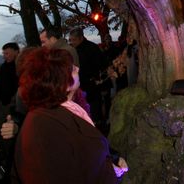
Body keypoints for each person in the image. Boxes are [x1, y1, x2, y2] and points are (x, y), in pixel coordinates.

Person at [12, 47, 123, 183]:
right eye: (71, 69)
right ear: (58, 82)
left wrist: (113, 161)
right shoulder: (44, 125)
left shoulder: (65, 108)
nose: (77, 68)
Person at [68, 27, 105, 123]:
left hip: (91, 84)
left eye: (74, 40)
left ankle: (97, 124)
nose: (72, 42)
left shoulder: (92, 48)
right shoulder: (73, 50)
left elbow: (101, 64)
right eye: (70, 40)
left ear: (81, 38)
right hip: (81, 84)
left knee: (94, 108)